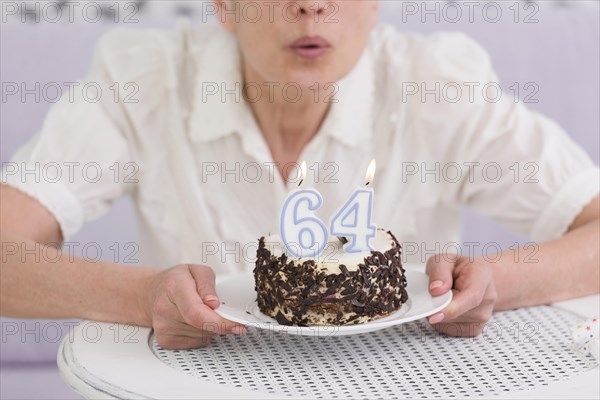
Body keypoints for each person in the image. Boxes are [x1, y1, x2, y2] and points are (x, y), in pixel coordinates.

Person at [1, 1, 598, 349]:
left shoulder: (440, 84)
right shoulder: (142, 80)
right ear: (224, 5)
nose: (312, 6)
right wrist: (144, 295)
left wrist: (490, 280)